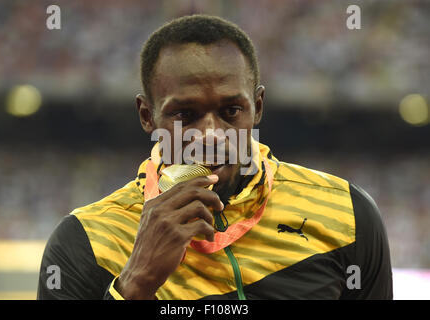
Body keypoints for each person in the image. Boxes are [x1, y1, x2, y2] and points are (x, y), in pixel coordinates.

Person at [37, 15, 393, 300]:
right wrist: (135, 285)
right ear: (147, 116)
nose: (209, 134)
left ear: (258, 107)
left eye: (231, 110)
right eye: (184, 115)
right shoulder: (87, 240)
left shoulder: (347, 213)